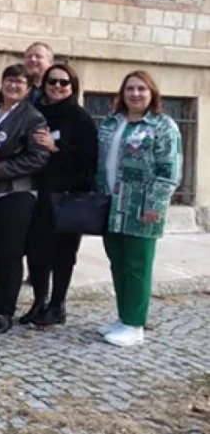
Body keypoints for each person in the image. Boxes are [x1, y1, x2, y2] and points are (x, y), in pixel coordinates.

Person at [96, 70, 182, 347]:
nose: (135, 94)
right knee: (118, 263)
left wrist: (156, 204)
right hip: (111, 206)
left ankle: (135, 324)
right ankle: (123, 317)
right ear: (122, 93)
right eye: (130, 89)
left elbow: (169, 170)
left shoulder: (162, 126)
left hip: (141, 207)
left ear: (152, 93)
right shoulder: (112, 123)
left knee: (137, 266)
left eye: (141, 89)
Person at [0, 64, 49, 334]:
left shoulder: (33, 118)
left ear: (28, 89)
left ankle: (5, 311)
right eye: (9, 81)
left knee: (9, 254)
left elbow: (38, 157)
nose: (13, 86)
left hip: (15, 193)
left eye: (20, 82)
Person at [23, 63, 97, 327]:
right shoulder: (37, 113)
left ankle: (58, 305)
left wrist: (56, 148)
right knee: (37, 251)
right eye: (52, 81)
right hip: (39, 193)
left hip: (67, 196)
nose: (57, 86)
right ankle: (39, 301)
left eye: (63, 83)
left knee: (63, 254)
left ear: (72, 87)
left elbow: (88, 160)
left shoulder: (80, 118)